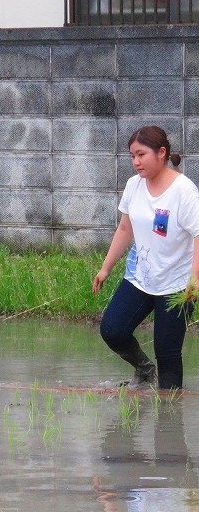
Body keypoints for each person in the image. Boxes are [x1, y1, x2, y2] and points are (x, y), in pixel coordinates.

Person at [93, 125, 199, 390]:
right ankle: (143, 369)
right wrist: (106, 268)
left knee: (168, 353)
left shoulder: (184, 192)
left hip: (177, 285)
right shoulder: (133, 186)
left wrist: (194, 281)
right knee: (113, 330)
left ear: (161, 153)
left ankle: (169, 423)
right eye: (132, 156)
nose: (136, 162)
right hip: (141, 277)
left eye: (141, 154)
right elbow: (125, 228)